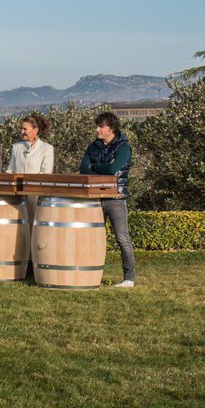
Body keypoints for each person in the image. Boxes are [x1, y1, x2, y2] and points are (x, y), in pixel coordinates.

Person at [80, 110, 136, 289]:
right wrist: (101, 168)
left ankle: (129, 278)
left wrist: (95, 166)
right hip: (95, 198)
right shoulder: (94, 146)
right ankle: (91, 274)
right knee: (93, 238)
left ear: (110, 128)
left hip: (116, 198)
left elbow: (114, 170)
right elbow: (83, 169)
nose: (97, 129)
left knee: (122, 238)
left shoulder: (124, 147)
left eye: (100, 126)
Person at [7, 113, 55, 221]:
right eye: (21, 128)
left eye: (25, 129)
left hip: (35, 196)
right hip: (16, 195)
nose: (22, 131)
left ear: (35, 130)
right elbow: (10, 170)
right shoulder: (16, 147)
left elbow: (46, 173)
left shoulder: (47, 148)